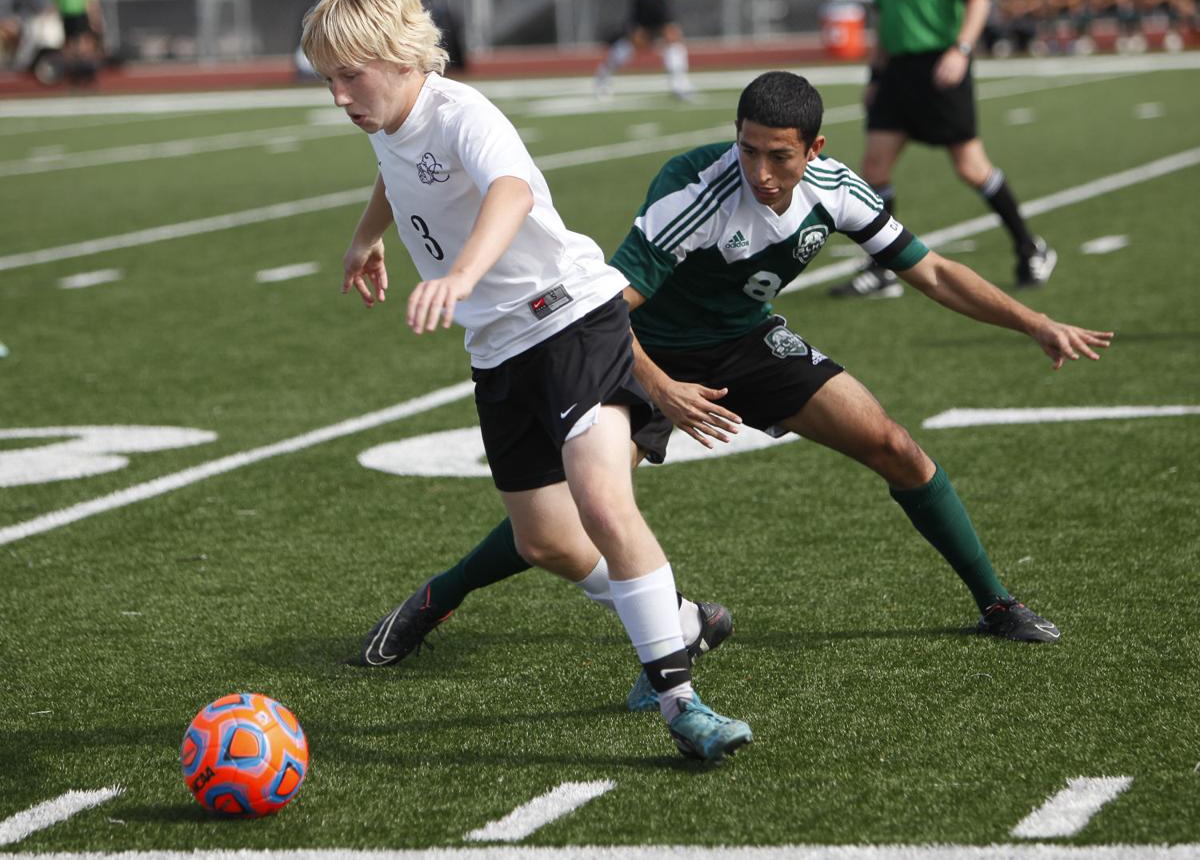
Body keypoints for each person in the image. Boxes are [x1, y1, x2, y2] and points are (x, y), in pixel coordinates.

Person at [365, 71, 1114, 715]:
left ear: (813, 150)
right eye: (748, 148)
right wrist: (663, 390)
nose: (759, 169)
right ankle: (439, 597)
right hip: (640, 351)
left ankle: (995, 602)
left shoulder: (836, 190)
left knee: (893, 445)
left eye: (778, 155)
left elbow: (937, 272)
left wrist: (1035, 322)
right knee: (573, 516)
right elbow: (602, 307)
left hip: (747, 345)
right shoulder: (695, 190)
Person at [300, 0, 750, 764]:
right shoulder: (386, 115)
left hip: (572, 318)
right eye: (328, 78)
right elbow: (395, 173)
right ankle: (680, 622)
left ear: (402, 58)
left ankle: (681, 702)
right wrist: (367, 238)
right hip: (499, 349)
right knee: (546, 541)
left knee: (603, 503)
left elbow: (509, 190)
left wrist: (462, 275)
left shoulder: (462, 111)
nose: (338, 96)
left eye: (348, 75)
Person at [829, 0, 1056, 300]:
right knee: (874, 169)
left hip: (941, 65)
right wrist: (875, 75)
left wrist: (961, 50)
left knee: (971, 167)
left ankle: (1030, 248)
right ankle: (882, 269)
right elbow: (886, 19)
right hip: (898, 73)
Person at [47, 0, 103, 87]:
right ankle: (74, 77)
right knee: (70, 49)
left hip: (81, 15)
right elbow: (55, 2)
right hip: (67, 17)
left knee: (85, 48)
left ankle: (89, 76)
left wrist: (95, 19)